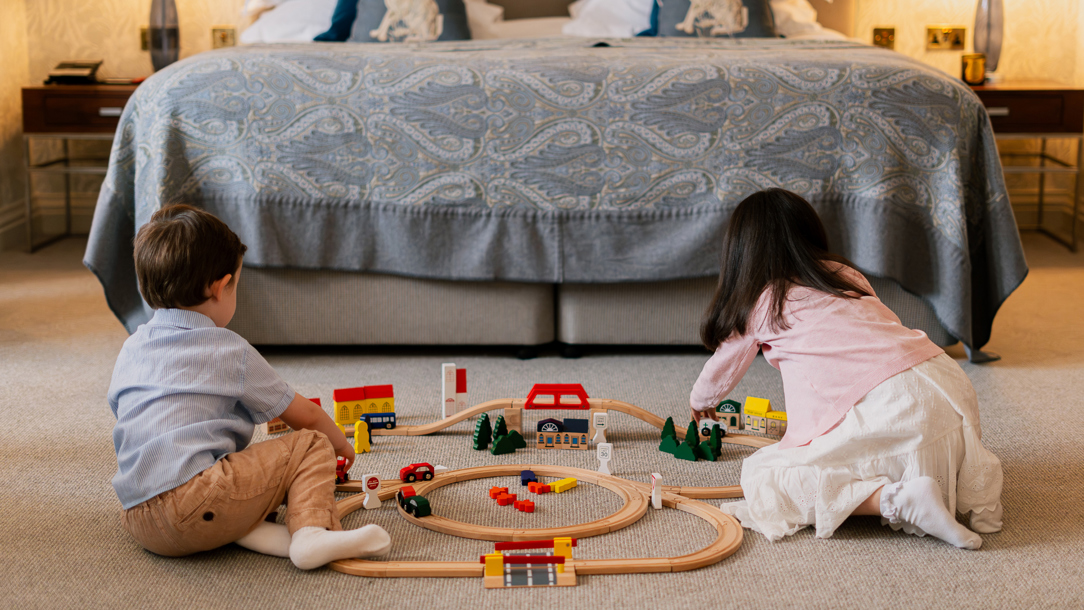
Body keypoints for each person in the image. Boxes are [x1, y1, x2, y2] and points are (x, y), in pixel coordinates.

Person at [689, 189, 1003, 549]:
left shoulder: (765, 303)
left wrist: (700, 400)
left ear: (741, 255)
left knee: (766, 478)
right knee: (902, 428)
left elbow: (723, 367)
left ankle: (898, 499)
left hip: (895, 409)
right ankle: (983, 506)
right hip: (946, 384)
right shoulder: (844, 274)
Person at [108, 204, 390, 569]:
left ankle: (262, 534)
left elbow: (125, 414)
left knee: (226, 475)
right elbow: (305, 415)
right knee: (309, 444)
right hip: (197, 501)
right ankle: (311, 534)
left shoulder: (131, 347)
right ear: (220, 287)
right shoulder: (229, 350)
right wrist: (341, 446)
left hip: (139, 518)